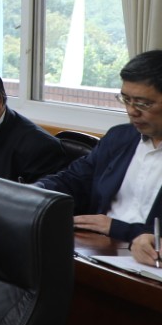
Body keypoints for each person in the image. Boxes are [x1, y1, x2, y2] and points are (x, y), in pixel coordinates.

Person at [37, 50, 162, 244]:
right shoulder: (119, 137)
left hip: (147, 257)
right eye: (126, 99)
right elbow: (74, 179)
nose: (131, 111)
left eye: (143, 103)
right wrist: (35, 191)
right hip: (97, 247)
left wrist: (117, 228)